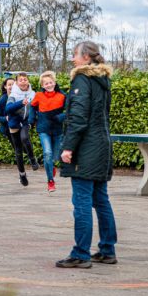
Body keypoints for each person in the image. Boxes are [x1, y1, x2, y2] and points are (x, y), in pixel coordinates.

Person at [57, 41, 117, 268]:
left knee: (81, 201)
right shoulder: (103, 80)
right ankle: (107, 249)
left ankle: (81, 253)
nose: (73, 59)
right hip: (102, 145)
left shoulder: (82, 79)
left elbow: (79, 117)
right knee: (101, 200)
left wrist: (68, 147)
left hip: (86, 148)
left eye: (75, 54)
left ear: (87, 57)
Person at [31, 71, 66, 193]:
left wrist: (60, 117)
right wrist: (31, 119)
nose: (49, 85)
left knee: (55, 157)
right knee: (47, 154)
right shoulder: (39, 95)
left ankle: (52, 167)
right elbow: (32, 106)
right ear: (42, 85)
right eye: (46, 83)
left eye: (51, 82)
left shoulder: (62, 96)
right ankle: (50, 181)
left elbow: (71, 110)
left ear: (54, 83)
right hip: (43, 129)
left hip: (57, 130)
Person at [5, 72, 39, 186]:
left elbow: (35, 108)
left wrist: (34, 119)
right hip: (14, 123)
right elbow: (8, 109)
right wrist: (21, 103)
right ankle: (22, 174)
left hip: (25, 122)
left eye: (25, 79)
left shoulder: (32, 94)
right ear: (17, 82)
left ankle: (32, 159)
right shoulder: (13, 95)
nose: (23, 81)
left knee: (25, 138)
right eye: (21, 80)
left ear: (28, 81)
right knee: (18, 151)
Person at [0, 77, 16, 151]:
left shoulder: (20, 97)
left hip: (20, 126)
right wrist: (5, 118)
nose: (11, 86)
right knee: (16, 148)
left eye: (13, 84)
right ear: (5, 86)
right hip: (9, 128)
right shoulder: (2, 100)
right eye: (9, 85)